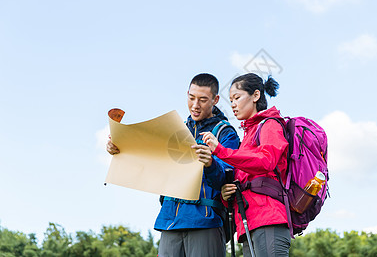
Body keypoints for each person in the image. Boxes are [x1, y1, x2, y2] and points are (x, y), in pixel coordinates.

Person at [106, 73, 240, 257]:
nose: (195, 105)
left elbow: (227, 179)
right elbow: (150, 159)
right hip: (169, 220)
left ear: (215, 99)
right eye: (191, 98)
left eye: (203, 100)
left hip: (206, 221)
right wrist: (120, 148)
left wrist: (210, 163)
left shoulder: (225, 133)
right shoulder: (175, 130)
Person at [199, 73, 291, 257]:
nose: (232, 104)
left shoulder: (270, 125)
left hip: (268, 219)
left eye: (237, 97)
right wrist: (227, 195)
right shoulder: (249, 135)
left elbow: (266, 161)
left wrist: (220, 150)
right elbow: (245, 180)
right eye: (231, 99)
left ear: (256, 96)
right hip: (249, 223)